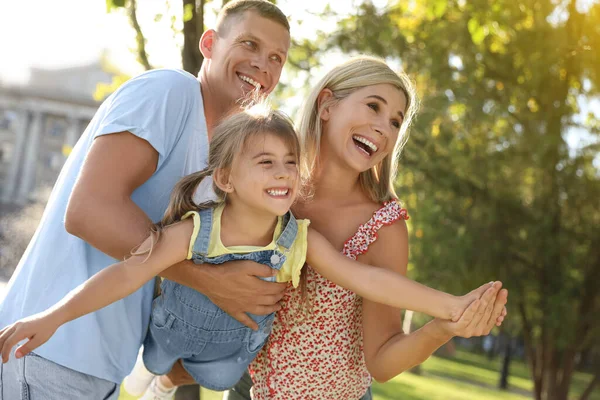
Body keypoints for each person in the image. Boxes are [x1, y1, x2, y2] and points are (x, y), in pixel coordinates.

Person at [0, 105, 496, 399]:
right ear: (226, 178)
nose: (282, 173)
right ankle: (165, 372)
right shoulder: (198, 229)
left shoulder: (298, 235)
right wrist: (53, 317)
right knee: (169, 312)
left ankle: (176, 377)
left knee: (226, 363)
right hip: (171, 339)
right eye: (266, 162)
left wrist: (448, 308)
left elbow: (368, 281)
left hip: (234, 366)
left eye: (288, 163)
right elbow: (124, 276)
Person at [0, 1, 292, 399]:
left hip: (100, 367)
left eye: (276, 57)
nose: (263, 64)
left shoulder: (221, 164)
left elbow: (160, 270)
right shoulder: (169, 91)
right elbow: (90, 211)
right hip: (51, 350)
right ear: (209, 44)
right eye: (249, 44)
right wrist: (209, 281)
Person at [222, 56, 509, 400]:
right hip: (249, 388)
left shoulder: (383, 226)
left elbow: (383, 363)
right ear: (326, 104)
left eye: (394, 122)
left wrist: (445, 326)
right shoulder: (275, 189)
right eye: (373, 106)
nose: (383, 128)